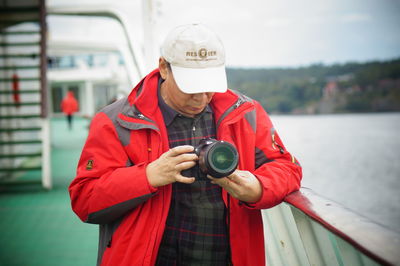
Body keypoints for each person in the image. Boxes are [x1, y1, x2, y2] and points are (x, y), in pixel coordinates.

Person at [69, 23, 302, 266]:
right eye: (191, 86)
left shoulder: (245, 113)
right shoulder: (115, 122)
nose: (201, 97)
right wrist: (148, 176)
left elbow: (287, 167)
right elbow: (85, 200)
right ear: (163, 68)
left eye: (209, 85)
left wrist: (258, 189)